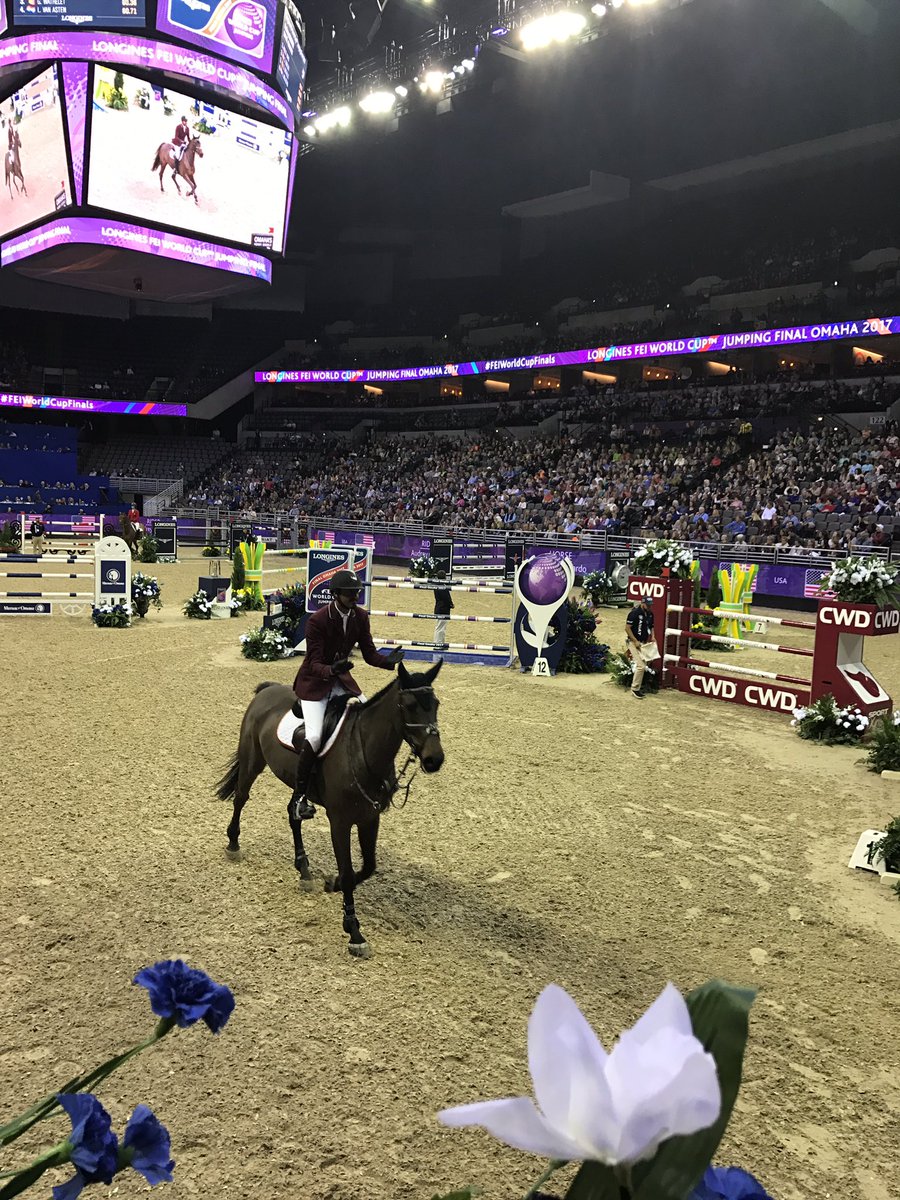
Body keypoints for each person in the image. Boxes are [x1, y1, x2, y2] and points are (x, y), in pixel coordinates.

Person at [290, 569, 404, 819]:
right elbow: (313, 663)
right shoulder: (317, 620)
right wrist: (331, 670)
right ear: (336, 594)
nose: (355, 597)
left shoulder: (360, 616)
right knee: (315, 736)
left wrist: (388, 662)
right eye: (350, 593)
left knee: (372, 720)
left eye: (357, 593)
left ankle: (385, 780)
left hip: (342, 681)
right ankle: (299, 797)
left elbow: (369, 654)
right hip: (314, 684)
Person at [626, 594, 655, 699]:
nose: (649, 607)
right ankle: (635, 689)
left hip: (643, 642)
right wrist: (635, 640)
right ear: (642, 603)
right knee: (641, 666)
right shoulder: (634, 613)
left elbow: (651, 626)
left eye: (650, 605)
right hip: (633, 642)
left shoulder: (650, 614)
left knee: (646, 662)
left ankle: (638, 686)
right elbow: (627, 628)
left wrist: (653, 637)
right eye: (648, 605)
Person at [432, 570, 453, 661]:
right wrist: (451, 604)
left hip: (439, 608)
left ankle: (440, 643)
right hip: (443, 609)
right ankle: (438, 644)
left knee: (440, 627)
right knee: (440, 628)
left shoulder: (437, 585)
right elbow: (447, 598)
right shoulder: (443, 587)